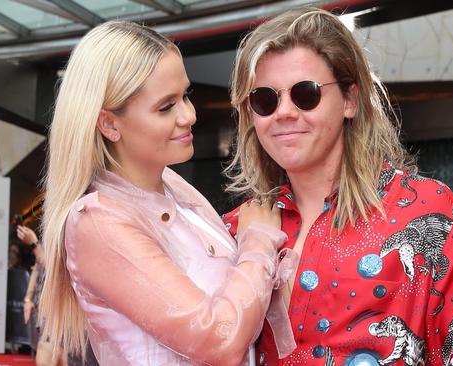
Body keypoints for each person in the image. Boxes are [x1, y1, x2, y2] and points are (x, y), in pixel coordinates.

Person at [223, 7, 453, 365]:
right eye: (265, 99)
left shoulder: (433, 214)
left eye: (306, 94)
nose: (284, 112)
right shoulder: (233, 231)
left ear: (350, 100)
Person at [39, 21, 294, 366]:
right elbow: (217, 340)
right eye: (165, 106)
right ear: (109, 124)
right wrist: (258, 241)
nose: (188, 115)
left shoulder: (174, 186)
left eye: (185, 95)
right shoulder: (98, 222)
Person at [17, 224, 69, 366]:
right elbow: (37, 269)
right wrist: (28, 299)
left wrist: (34, 244)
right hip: (45, 309)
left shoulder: (69, 236)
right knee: (45, 348)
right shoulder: (49, 236)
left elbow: (56, 273)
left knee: (54, 351)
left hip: (62, 311)